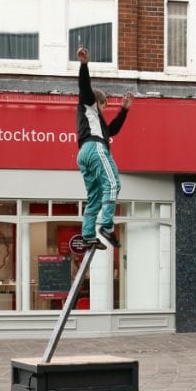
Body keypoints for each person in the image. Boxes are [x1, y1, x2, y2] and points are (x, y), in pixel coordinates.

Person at [75, 46, 132, 250]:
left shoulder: (97, 123)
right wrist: (84, 65)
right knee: (113, 184)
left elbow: (112, 130)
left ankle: (88, 235)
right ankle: (106, 225)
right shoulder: (89, 103)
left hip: (84, 153)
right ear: (98, 102)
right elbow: (84, 86)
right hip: (95, 148)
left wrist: (123, 110)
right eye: (104, 106)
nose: (104, 110)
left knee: (95, 197)